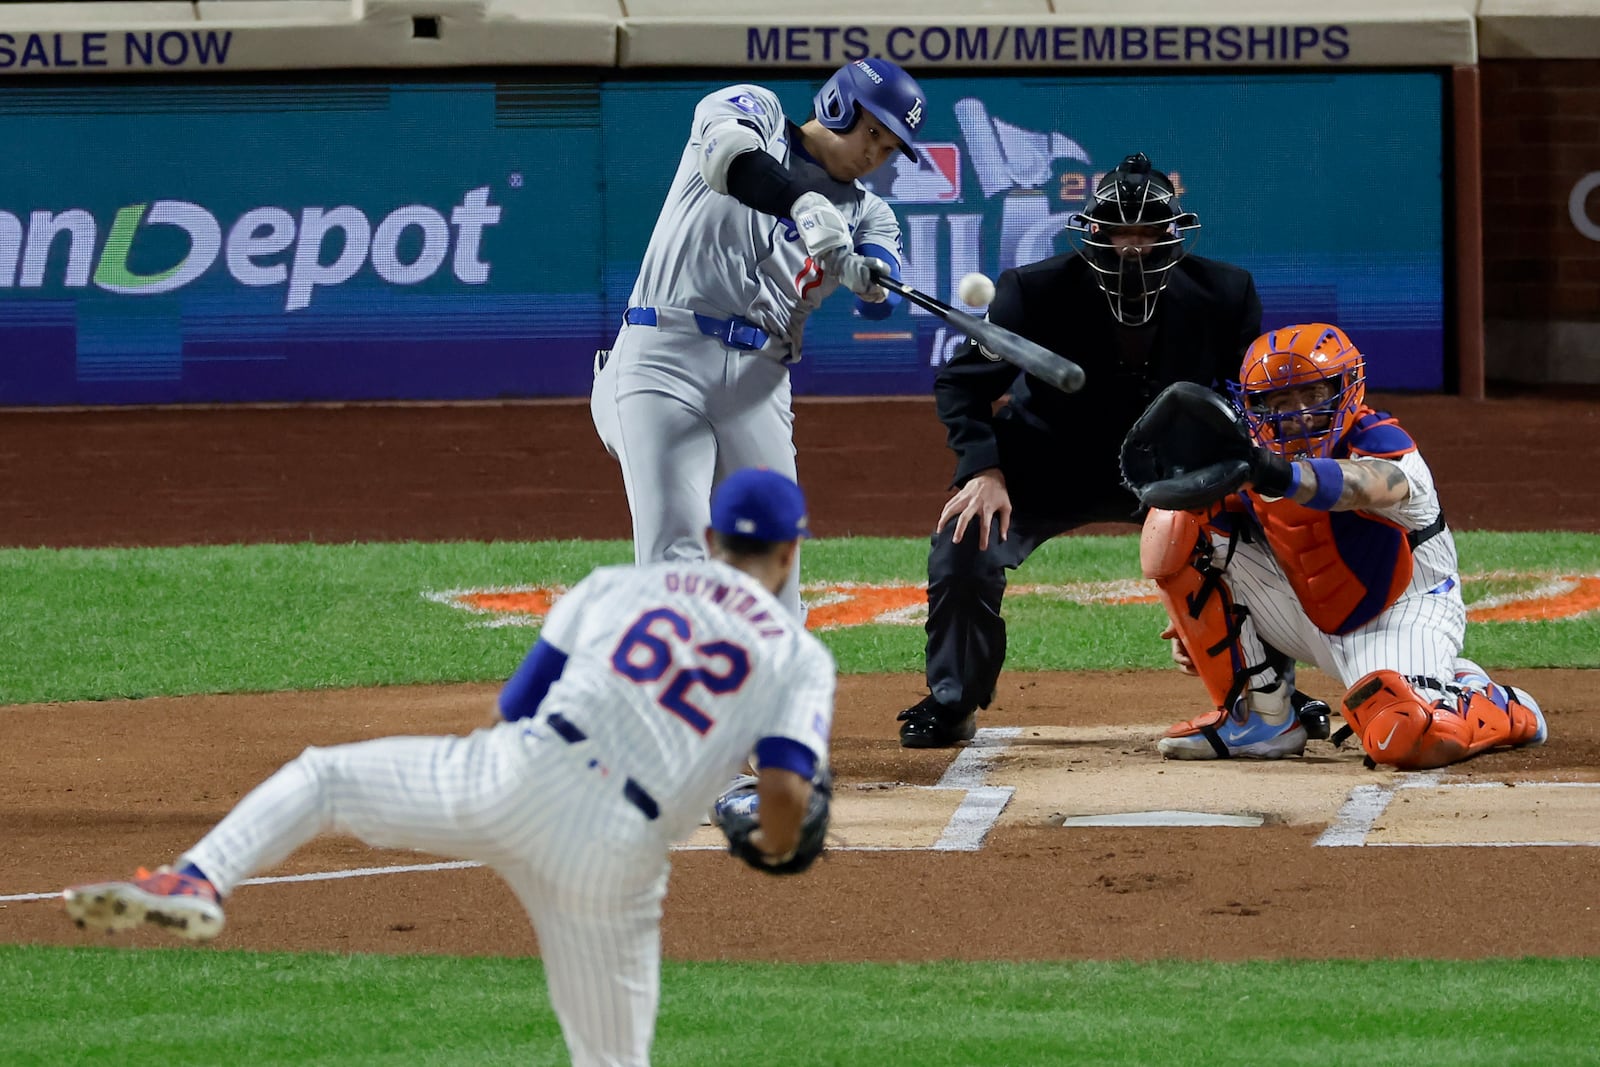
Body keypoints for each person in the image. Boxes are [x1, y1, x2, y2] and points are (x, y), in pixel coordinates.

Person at [63, 467, 836, 1067]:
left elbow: (512, 710)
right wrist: (769, 844)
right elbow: (784, 791)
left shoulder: (617, 586)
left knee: (323, 778)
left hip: (520, 775)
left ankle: (198, 876)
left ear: (708, 539)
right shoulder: (797, 654)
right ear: (790, 551)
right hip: (617, 854)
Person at [898, 151, 1295, 748]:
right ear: (1094, 234)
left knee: (1262, 539)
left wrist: (1240, 480)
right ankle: (953, 700)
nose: (1131, 248)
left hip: (1173, 470)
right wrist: (983, 469)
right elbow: (963, 385)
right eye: (1117, 232)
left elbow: (1249, 401)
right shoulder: (1032, 292)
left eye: (1146, 233)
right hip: (1050, 460)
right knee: (965, 537)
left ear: (1173, 235)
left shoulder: (1226, 293)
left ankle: (1276, 695)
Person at [591, 59, 926, 622]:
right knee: (677, 557)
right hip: (663, 354)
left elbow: (884, 284)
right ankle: (669, 702)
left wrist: (869, 277)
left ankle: (771, 708)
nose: (875, 154)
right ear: (839, 104)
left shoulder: (872, 214)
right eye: (873, 132)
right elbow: (730, 162)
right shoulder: (756, 111)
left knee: (774, 578)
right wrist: (803, 204)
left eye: (890, 147)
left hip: (760, 382)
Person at [1142, 323, 1546, 766]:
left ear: (1346, 388)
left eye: (1313, 396)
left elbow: (1364, 486)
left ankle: (1497, 703)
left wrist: (1280, 474)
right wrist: (1193, 622)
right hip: (1304, 612)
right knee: (1176, 522)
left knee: (1410, 734)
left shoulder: (1384, 446)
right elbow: (1203, 541)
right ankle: (1260, 717)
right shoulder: (1254, 453)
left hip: (1399, 615)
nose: (1298, 413)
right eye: (1279, 401)